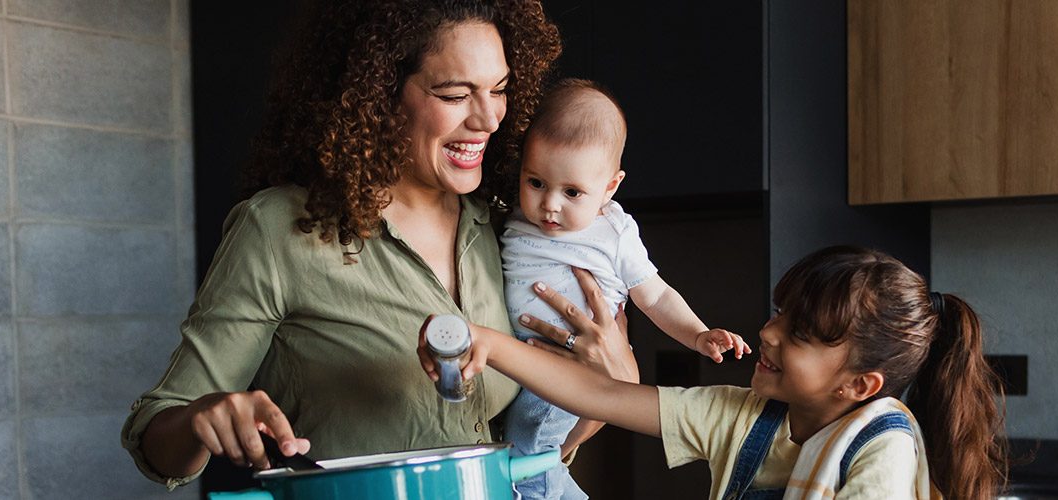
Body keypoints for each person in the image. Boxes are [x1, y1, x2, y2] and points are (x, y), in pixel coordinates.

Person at [118, 0, 637, 488]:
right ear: (379, 93)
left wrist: (608, 388)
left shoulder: (510, 229)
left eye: (499, 89)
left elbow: (541, 442)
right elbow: (157, 438)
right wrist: (200, 419)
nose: (489, 119)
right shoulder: (280, 230)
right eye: (456, 95)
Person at [424, 246, 1010, 500]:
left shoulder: (883, 448)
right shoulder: (741, 417)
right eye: (780, 313)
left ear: (858, 387)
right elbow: (601, 394)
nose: (768, 333)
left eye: (798, 333)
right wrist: (491, 344)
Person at [498, 78, 752, 499]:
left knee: (526, 458)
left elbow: (655, 296)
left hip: (567, 365)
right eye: (536, 182)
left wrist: (698, 333)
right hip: (523, 359)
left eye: (572, 192)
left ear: (610, 187)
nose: (550, 205)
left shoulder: (613, 234)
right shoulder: (514, 216)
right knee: (535, 462)